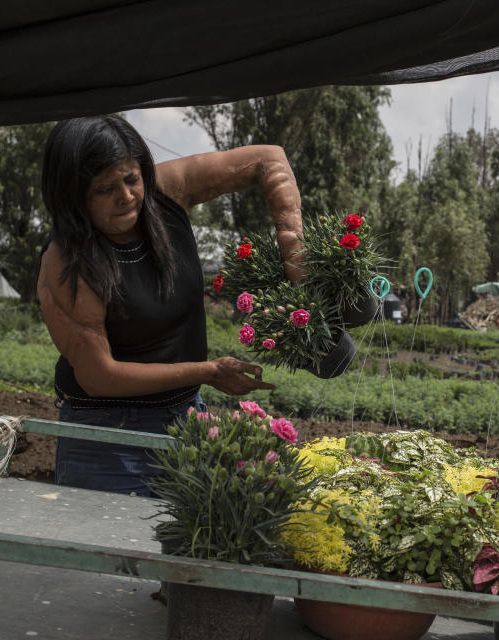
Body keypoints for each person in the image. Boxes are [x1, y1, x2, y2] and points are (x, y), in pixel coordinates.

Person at [37, 114, 304, 496]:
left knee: (183, 549)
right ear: (73, 196)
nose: (127, 196)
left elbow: (268, 159)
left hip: (184, 420)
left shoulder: (167, 191)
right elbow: (98, 377)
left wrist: (293, 248)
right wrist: (207, 371)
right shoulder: (66, 261)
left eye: (131, 178)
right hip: (108, 438)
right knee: (117, 550)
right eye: (105, 189)